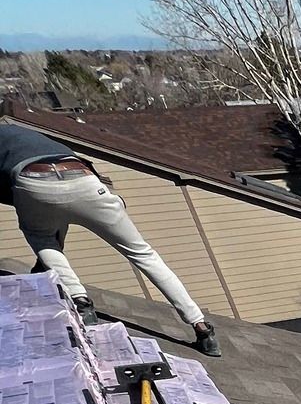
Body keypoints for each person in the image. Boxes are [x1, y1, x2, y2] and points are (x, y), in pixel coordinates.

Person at [0, 120, 220, 355]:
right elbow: (70, 189)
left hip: (32, 180)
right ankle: (201, 327)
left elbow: (44, 201)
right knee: (144, 254)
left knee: (42, 238)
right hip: (83, 178)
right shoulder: (23, 133)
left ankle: (80, 300)